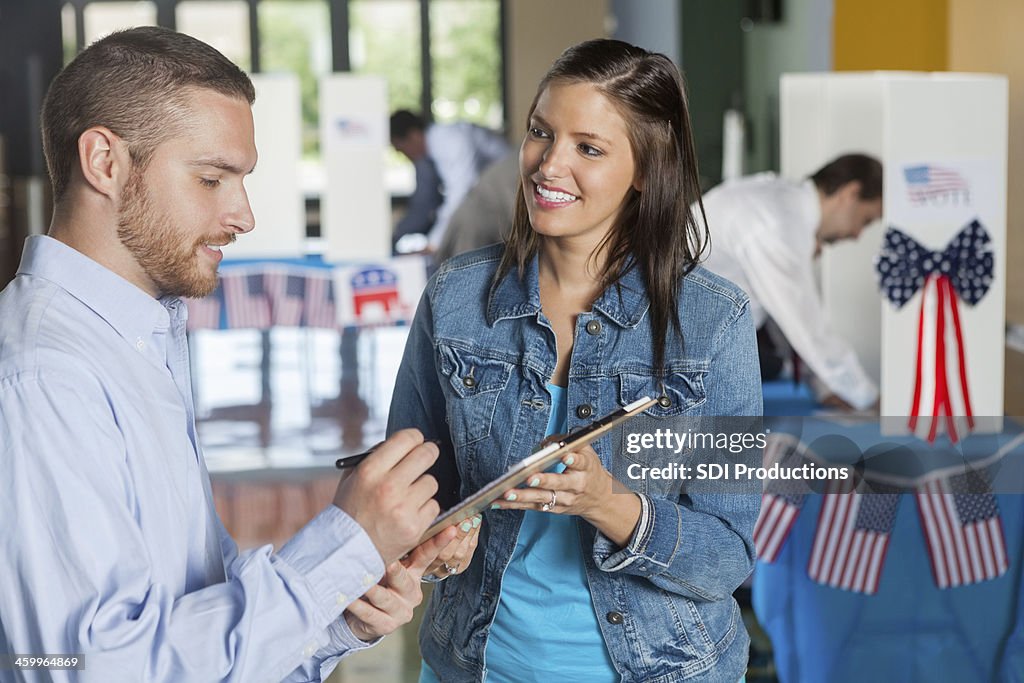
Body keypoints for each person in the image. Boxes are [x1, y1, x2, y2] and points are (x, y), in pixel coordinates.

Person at [0, 27, 466, 682]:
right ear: (104, 161)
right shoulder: (44, 374)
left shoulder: (140, 337)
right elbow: (95, 669)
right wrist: (340, 546)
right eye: (212, 178)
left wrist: (339, 615)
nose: (244, 215)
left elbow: (185, 609)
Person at [388, 39, 762, 683]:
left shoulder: (713, 322)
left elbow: (726, 556)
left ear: (645, 168)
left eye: (588, 148)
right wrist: (435, 539)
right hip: (474, 664)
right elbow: (413, 482)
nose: (548, 165)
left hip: (662, 669)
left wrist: (607, 502)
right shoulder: (455, 297)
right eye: (541, 133)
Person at [699, 155, 884, 410]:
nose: (856, 235)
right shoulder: (775, 223)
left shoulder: (778, 202)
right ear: (850, 194)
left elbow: (783, 315)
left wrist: (825, 387)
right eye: (865, 220)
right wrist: (871, 400)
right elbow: (807, 326)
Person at [389, 110, 509, 252]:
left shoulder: (448, 140)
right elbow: (424, 205)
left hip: (510, 189)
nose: (404, 155)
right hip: (497, 195)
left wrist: (433, 244)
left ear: (413, 136)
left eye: (401, 149)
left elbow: (460, 195)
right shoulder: (429, 157)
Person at [433, 153, 519, 264]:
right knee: (465, 272)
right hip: (473, 227)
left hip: (478, 223)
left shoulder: (517, 159)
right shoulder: (520, 164)